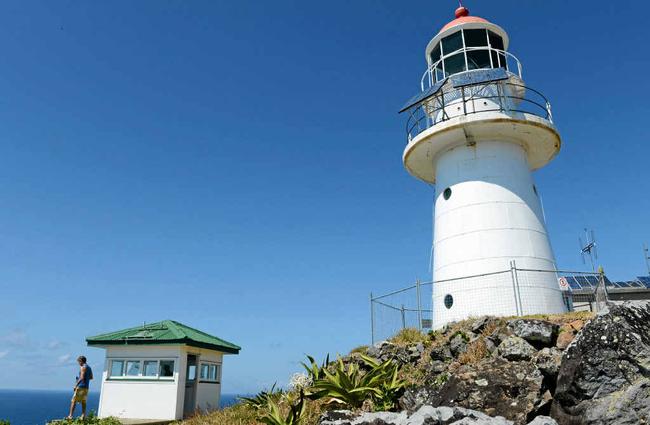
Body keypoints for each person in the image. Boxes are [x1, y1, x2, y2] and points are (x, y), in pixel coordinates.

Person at [67, 355, 93, 420]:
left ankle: (70, 416)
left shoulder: (83, 367)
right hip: (86, 387)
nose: (79, 363)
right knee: (83, 401)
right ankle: (83, 415)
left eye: (79, 362)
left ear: (81, 361)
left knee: (74, 401)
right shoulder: (89, 367)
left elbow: (81, 377)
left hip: (81, 386)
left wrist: (76, 384)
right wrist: (85, 379)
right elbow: (91, 377)